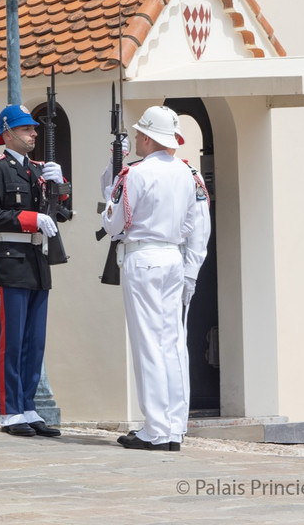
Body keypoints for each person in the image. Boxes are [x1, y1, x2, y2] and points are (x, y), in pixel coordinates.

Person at [100, 105, 210, 451]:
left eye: (138, 134)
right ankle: (174, 427)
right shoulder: (190, 174)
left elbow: (112, 223)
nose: (135, 139)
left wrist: (113, 181)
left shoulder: (136, 174)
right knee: (174, 345)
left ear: (147, 138)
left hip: (143, 258)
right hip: (174, 260)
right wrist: (191, 270)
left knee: (148, 344)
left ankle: (155, 429)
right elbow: (200, 228)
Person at [0, 104, 69, 438]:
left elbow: (62, 214)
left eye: (33, 129)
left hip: (37, 260)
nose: (34, 133)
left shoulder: (39, 170)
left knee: (34, 341)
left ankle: (28, 407)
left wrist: (59, 188)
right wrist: (30, 220)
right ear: (8, 133)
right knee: (12, 341)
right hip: (11, 258)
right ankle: (10, 411)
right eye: (27, 129)